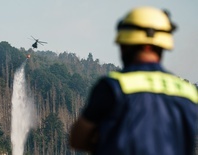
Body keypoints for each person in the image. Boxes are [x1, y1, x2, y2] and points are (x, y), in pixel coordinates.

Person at [69, 6, 198, 155]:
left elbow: (77, 139)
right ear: (163, 46)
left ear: (125, 47)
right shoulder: (189, 94)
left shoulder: (113, 87)